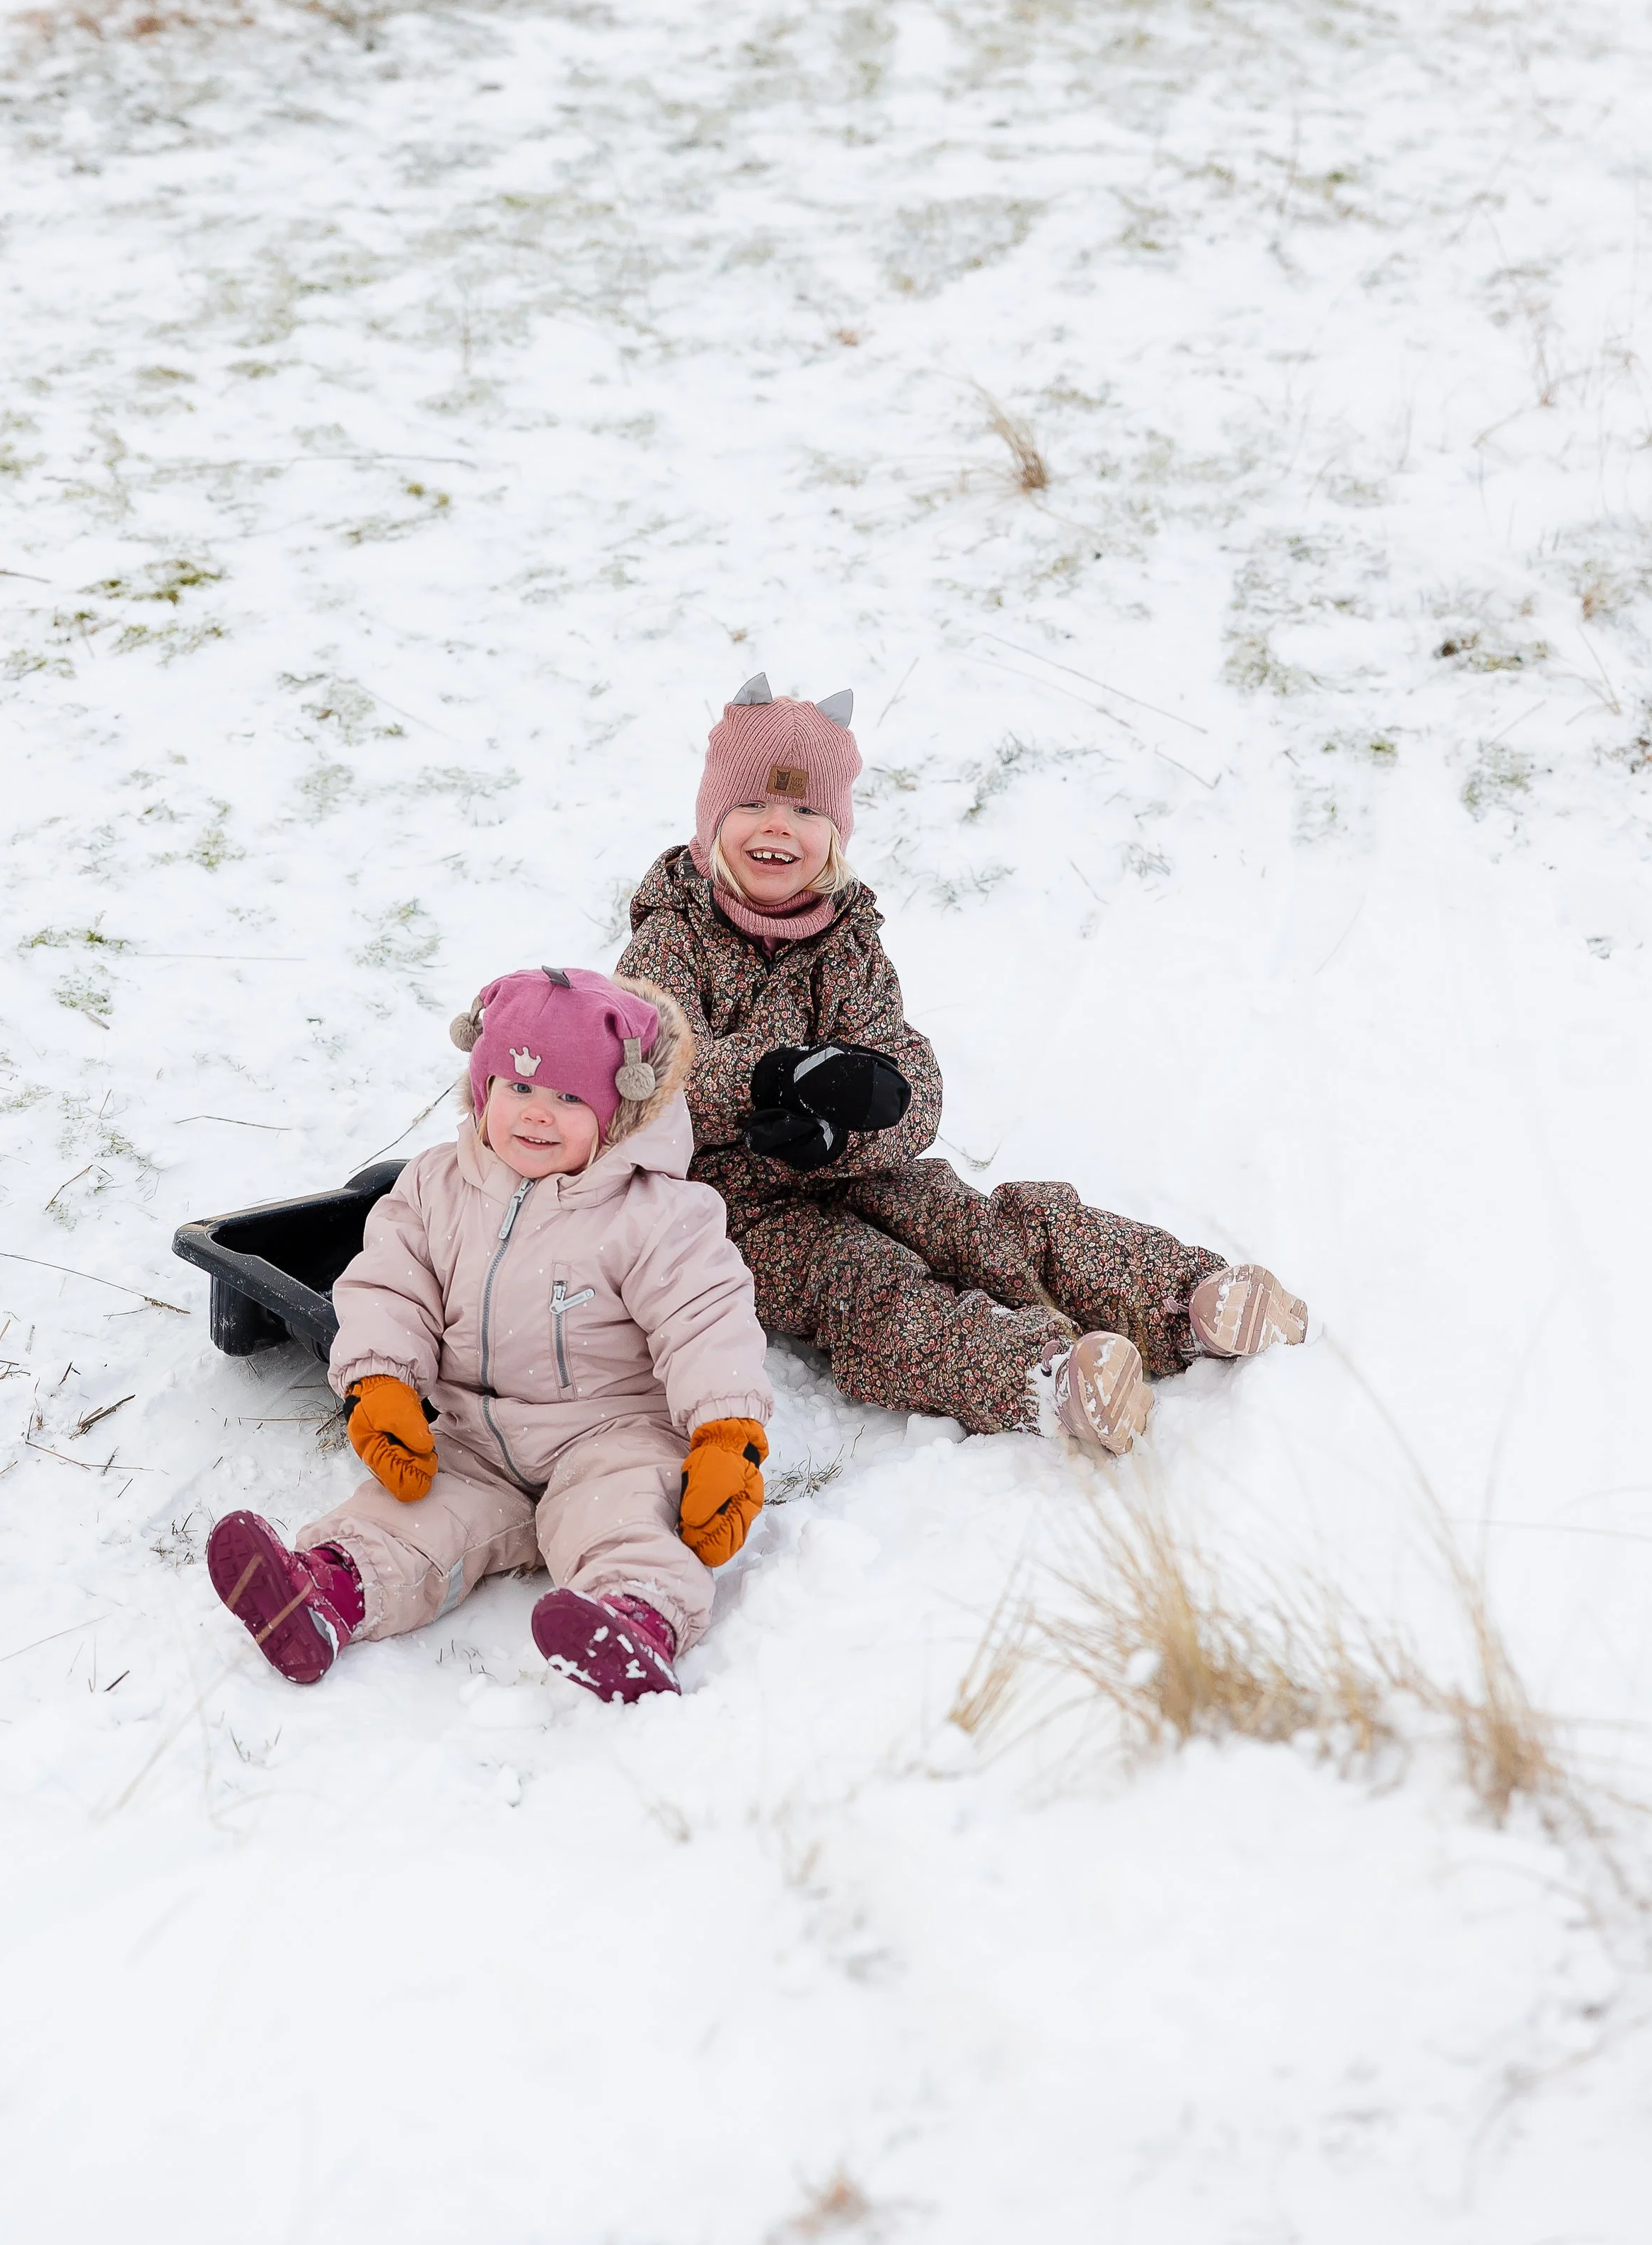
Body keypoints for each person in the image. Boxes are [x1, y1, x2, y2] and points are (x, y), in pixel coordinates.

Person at [618, 676, 1308, 1459]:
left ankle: (1185, 1299)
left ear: (835, 834)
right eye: (752, 805)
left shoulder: (848, 942)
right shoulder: (670, 938)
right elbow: (645, 1076)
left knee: (979, 1222)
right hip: (727, 1207)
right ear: (712, 819)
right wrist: (772, 1077)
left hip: (851, 1171)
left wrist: (869, 1116)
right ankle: (1042, 1379)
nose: (778, 826)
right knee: (865, 1281)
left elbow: (897, 1063)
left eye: (806, 812)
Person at [204, 966, 773, 1704]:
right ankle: (328, 1592)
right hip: (473, 1435)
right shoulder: (435, 1185)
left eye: (570, 1097)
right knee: (405, 1517)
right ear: (483, 1089)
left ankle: (635, 1616)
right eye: (519, 1086)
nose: (537, 1114)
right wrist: (380, 1381)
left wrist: (726, 1433)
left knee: (626, 1515)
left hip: (611, 1433)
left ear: (620, 1110)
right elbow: (389, 1286)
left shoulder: (661, 1215)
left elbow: (706, 1321)